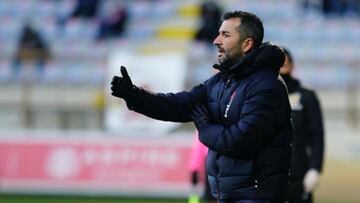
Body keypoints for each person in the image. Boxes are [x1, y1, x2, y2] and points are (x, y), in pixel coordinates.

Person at [111, 10, 293, 203]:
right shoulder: (221, 82)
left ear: (247, 44)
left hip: (257, 197)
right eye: (218, 33)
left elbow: (239, 142)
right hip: (229, 196)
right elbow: (177, 105)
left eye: (226, 35)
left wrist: (204, 129)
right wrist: (134, 96)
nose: (216, 41)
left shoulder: (266, 87)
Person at [280, 48, 325, 203]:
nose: (280, 70)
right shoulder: (260, 98)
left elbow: (317, 136)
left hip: (298, 174)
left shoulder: (307, 97)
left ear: (292, 66)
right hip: (267, 177)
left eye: (284, 65)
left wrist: (315, 168)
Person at [188, 131, 216, 203]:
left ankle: (193, 201)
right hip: (208, 160)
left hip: (207, 161)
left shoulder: (201, 129)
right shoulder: (202, 130)